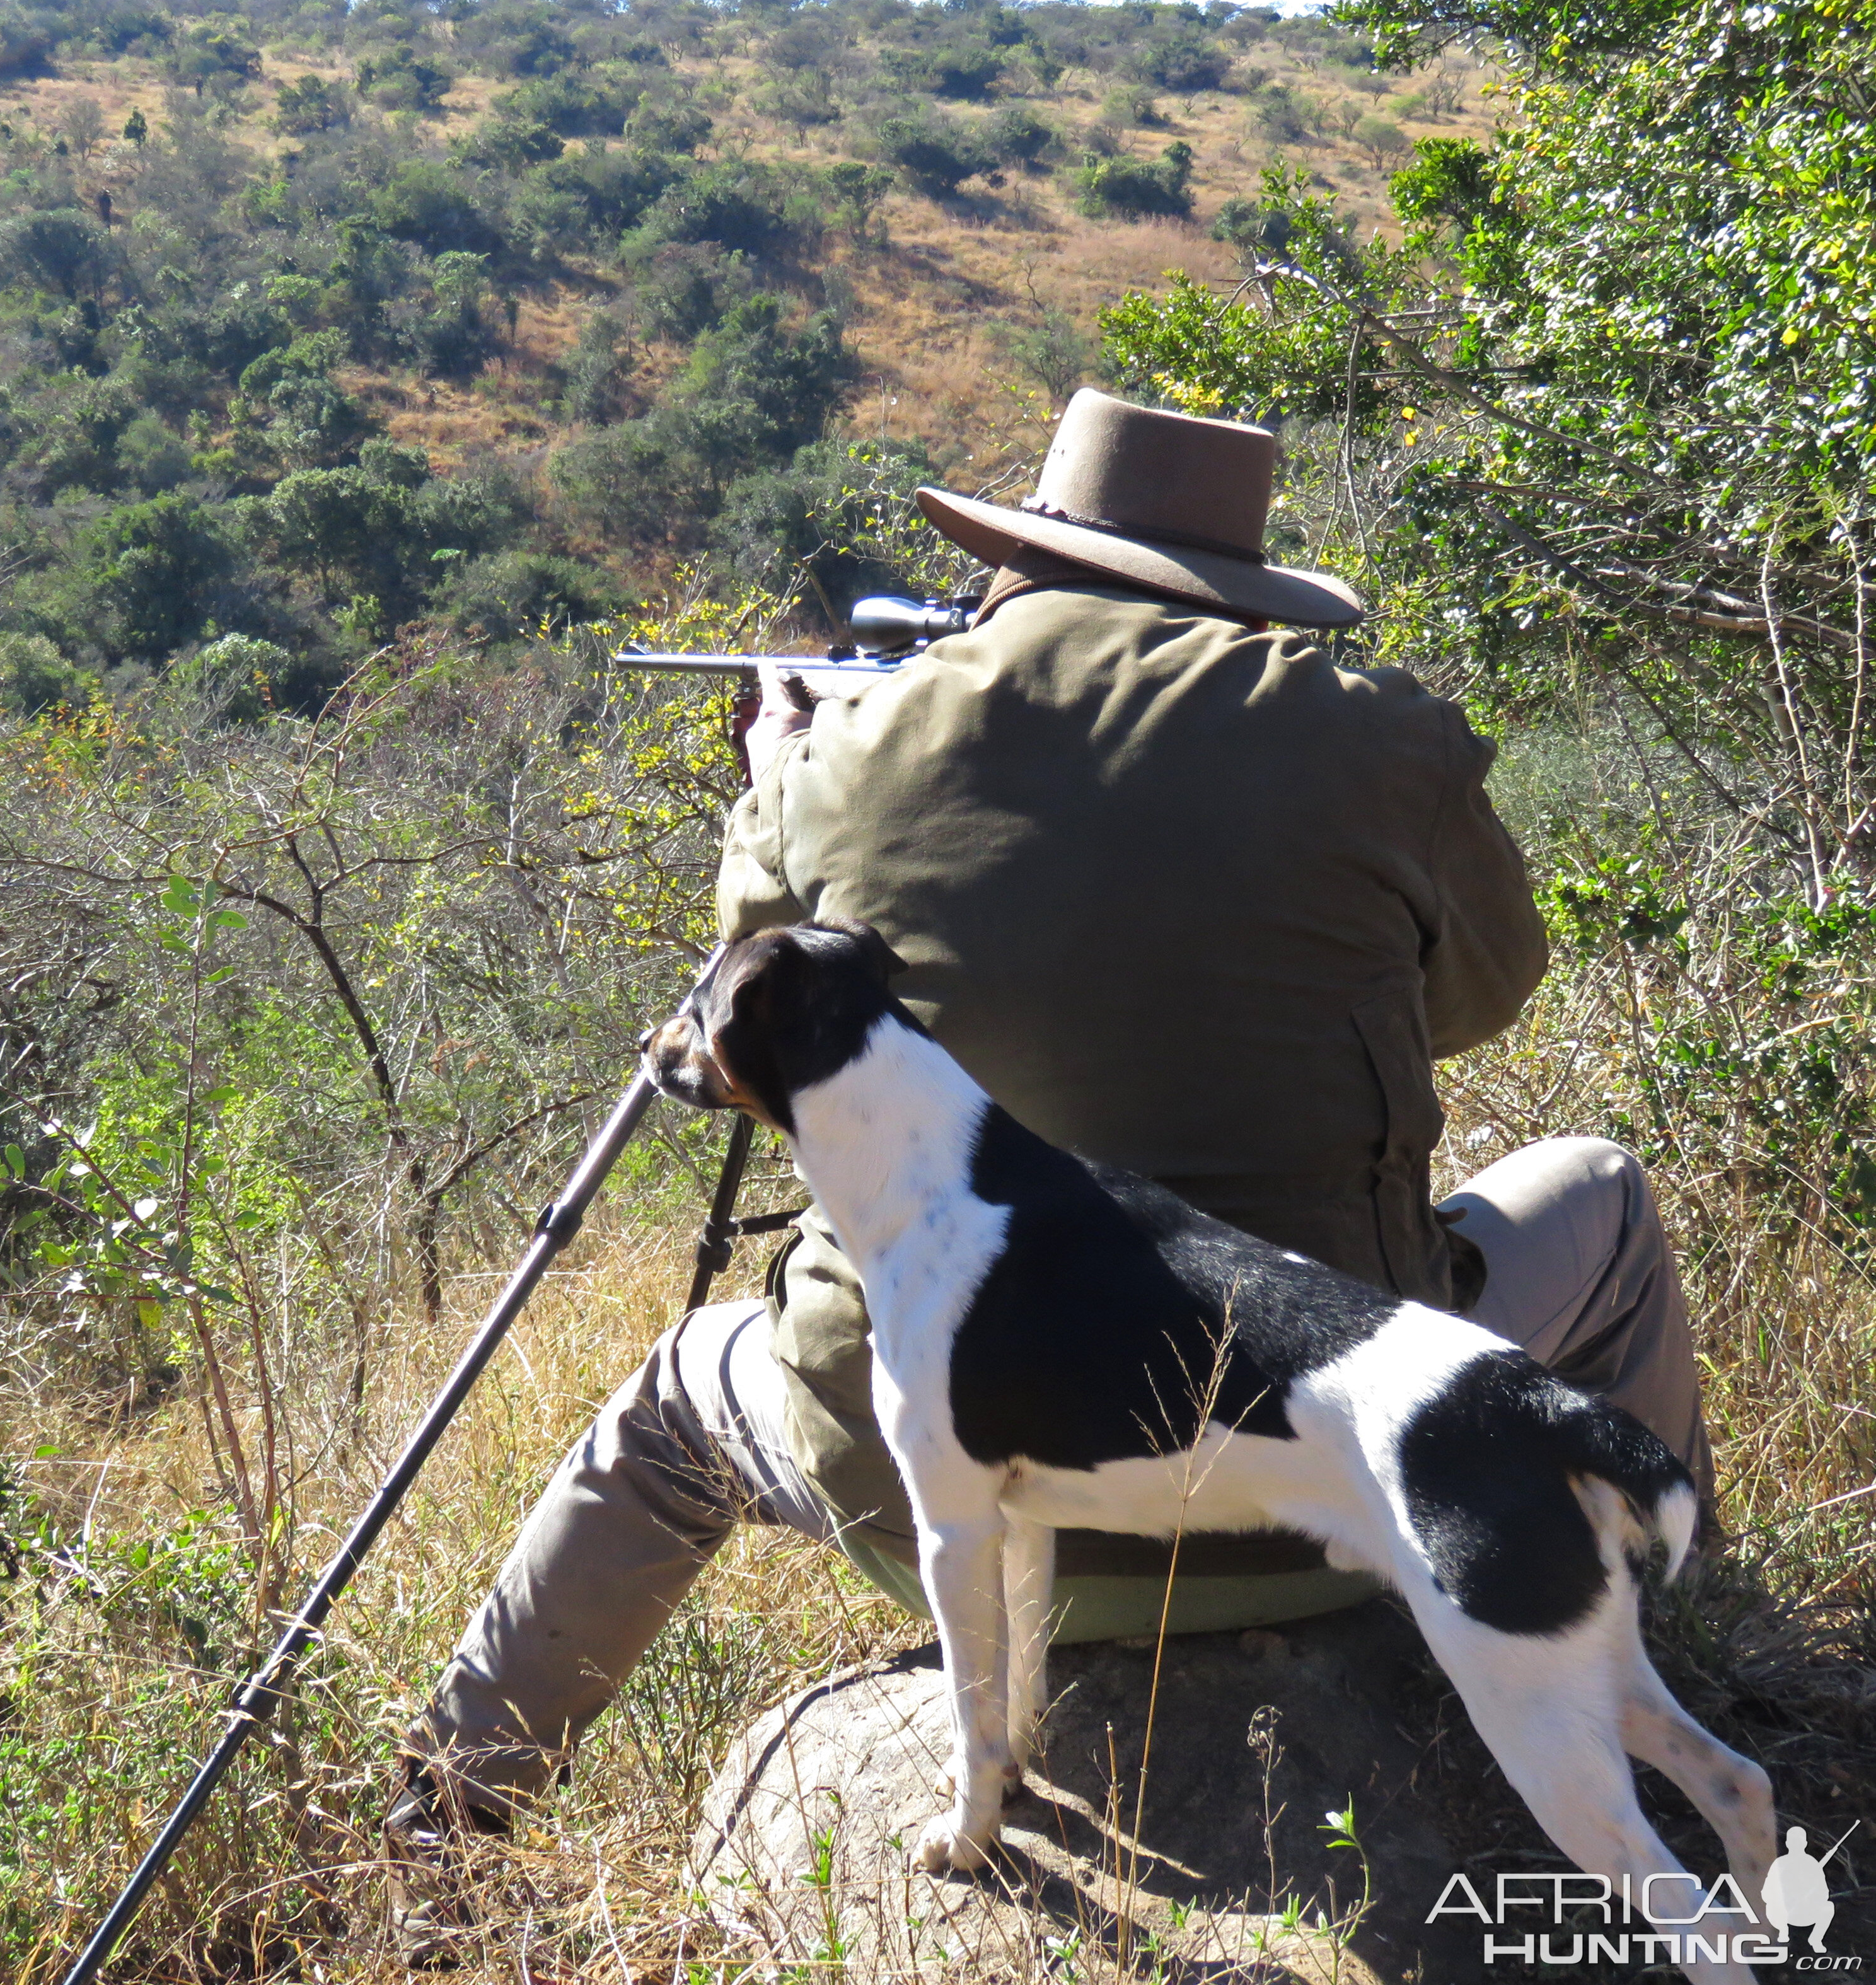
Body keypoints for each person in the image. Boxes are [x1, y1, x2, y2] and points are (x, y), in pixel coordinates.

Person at [386, 391, 1715, 1950]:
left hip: (945, 1483)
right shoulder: (1381, 737)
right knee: (1601, 1195)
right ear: (1233, 577)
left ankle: (443, 1827)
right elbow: (1482, 995)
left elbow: (746, 1002)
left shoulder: (865, 738)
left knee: (670, 1407)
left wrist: (777, 768)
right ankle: (1647, 1620)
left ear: (1021, 554)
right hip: (1336, 1477)